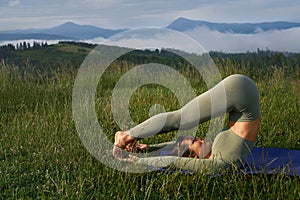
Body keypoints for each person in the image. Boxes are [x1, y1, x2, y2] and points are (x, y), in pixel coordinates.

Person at [113, 74, 260, 173]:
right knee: (181, 118)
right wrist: (141, 156)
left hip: (241, 93)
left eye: (197, 139)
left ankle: (126, 136)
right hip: (242, 95)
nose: (201, 138)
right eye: (197, 141)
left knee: (182, 119)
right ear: (194, 158)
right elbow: (173, 159)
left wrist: (140, 157)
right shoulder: (218, 161)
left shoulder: (218, 159)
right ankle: (128, 135)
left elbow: (172, 159)